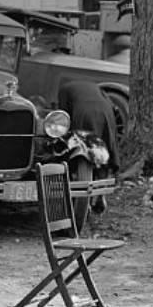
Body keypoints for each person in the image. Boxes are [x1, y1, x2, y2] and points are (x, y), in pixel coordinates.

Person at [57, 79, 122, 213]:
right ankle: (100, 194)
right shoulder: (95, 86)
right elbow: (114, 108)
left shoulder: (64, 89)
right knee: (103, 149)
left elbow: (64, 117)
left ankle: (84, 199)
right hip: (106, 112)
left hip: (84, 112)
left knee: (83, 150)